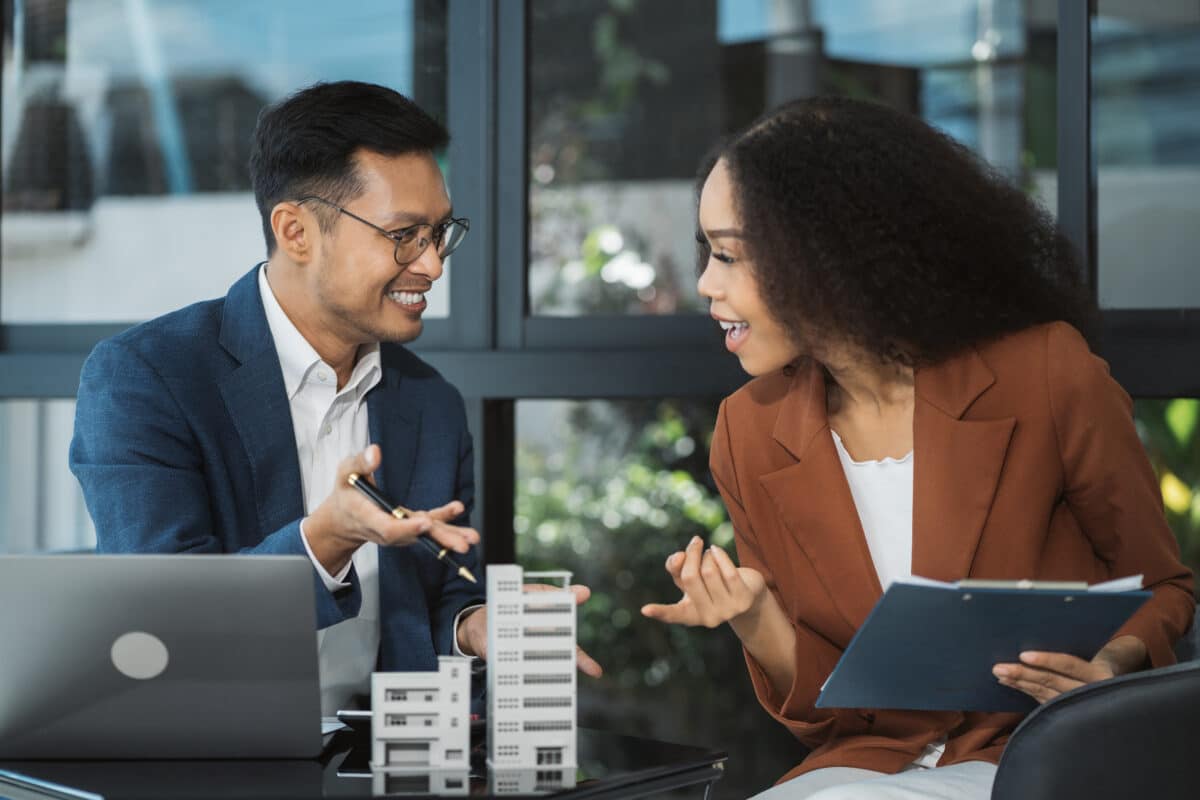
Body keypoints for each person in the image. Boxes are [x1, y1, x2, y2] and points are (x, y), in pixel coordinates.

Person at [641, 96, 1194, 799]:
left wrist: (1108, 668)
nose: (705, 286)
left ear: (825, 253)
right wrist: (755, 617)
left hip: (1038, 755)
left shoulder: (1044, 374)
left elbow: (1163, 584)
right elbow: (828, 717)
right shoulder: (748, 431)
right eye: (706, 253)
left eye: (727, 255)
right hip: (869, 768)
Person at [69, 80, 601, 714]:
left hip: (382, 762)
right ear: (295, 231)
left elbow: (437, 601)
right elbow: (163, 624)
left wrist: (472, 630)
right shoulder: (146, 378)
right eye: (404, 234)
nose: (432, 265)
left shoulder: (430, 403)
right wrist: (325, 539)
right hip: (214, 758)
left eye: (439, 233)